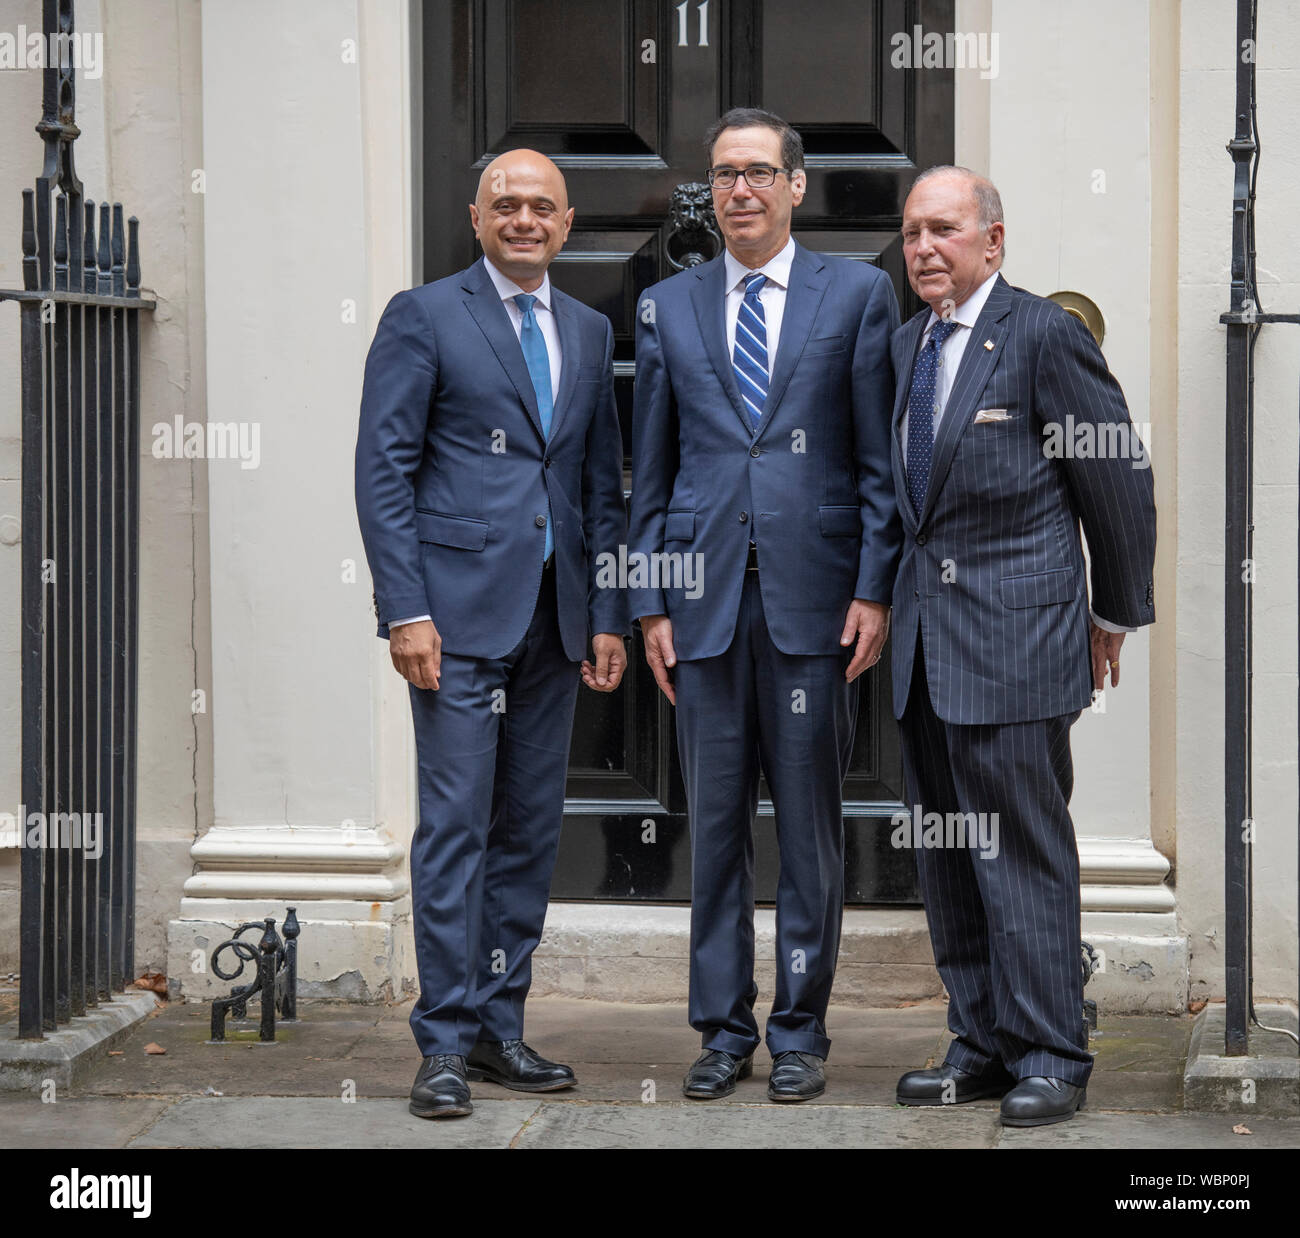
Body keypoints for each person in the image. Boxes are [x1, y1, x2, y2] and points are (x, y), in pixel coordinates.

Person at [627, 108, 901, 1102]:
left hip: (815, 605)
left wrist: (873, 586)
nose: (737, 191)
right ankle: (718, 1028)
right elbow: (647, 473)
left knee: (812, 830)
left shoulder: (860, 295)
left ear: (794, 184)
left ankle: (798, 1029)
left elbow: (876, 461)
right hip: (699, 607)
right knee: (714, 830)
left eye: (756, 173)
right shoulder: (671, 305)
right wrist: (647, 602)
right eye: (722, 176)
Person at [355, 148, 628, 1119]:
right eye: (504, 204)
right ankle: (442, 1041)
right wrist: (406, 609)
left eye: (540, 206)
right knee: (457, 827)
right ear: (474, 217)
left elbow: (598, 484)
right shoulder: (422, 316)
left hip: (555, 622)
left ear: (565, 221)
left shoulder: (590, 331)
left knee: (527, 831)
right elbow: (383, 469)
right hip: (456, 621)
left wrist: (606, 613)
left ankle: (498, 1026)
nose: (523, 219)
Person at [888, 165, 1156, 1126]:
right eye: (913, 231)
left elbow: (1116, 482)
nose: (925, 248)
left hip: (1019, 645)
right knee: (950, 855)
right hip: (925, 651)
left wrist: (1114, 614)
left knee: (1022, 854)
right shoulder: (906, 346)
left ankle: (1052, 1049)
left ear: (992, 242)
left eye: (945, 231)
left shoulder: (1043, 335)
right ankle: (983, 1043)